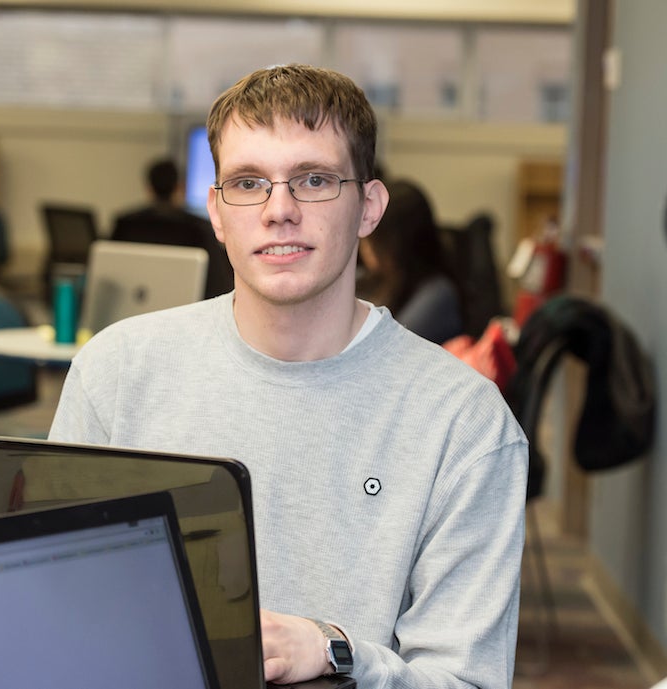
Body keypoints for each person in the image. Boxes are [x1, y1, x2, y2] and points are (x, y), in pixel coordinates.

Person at [49, 64, 527, 688]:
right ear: (217, 212)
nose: (280, 210)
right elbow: (55, 614)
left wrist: (335, 650)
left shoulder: (463, 421)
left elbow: (467, 681)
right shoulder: (115, 373)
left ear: (368, 208)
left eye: (314, 180)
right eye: (249, 183)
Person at [356, 178, 464, 344]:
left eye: (373, 238)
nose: (364, 245)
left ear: (398, 243)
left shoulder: (438, 295)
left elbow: (388, 348)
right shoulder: (375, 279)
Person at [111, 157, 234, 298]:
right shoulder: (199, 229)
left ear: (149, 188)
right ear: (180, 187)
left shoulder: (126, 224)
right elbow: (220, 286)